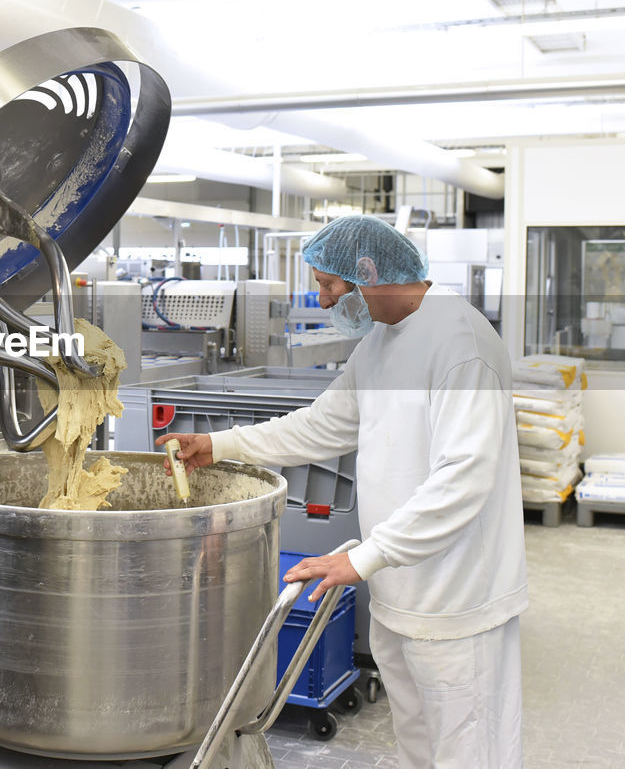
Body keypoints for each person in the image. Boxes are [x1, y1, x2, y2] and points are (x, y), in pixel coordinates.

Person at [157, 215, 527, 769]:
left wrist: (362, 556)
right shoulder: (382, 341)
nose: (325, 301)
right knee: (419, 746)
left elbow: (464, 476)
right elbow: (323, 424)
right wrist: (218, 444)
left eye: (330, 285)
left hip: (458, 600)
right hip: (399, 584)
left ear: (369, 273)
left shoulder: (461, 345)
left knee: (469, 749)